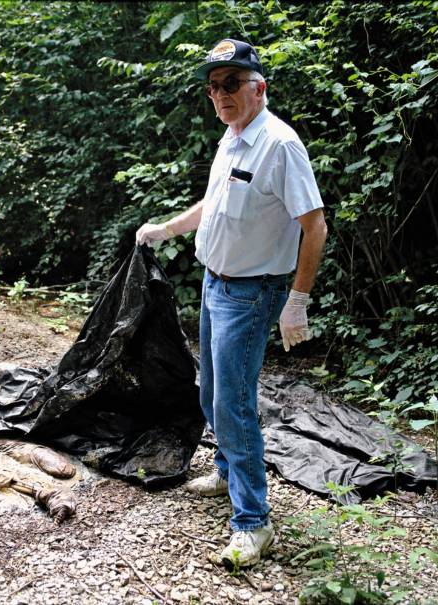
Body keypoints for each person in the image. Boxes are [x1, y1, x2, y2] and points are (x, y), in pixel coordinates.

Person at [135, 38, 328, 569]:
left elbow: (314, 225)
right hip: (214, 283)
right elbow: (215, 202)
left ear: (258, 87)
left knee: (235, 403)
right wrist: (167, 229)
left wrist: (298, 302)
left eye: (231, 84)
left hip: (251, 292)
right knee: (213, 389)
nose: (220, 94)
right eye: (213, 86)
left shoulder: (280, 145)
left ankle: (253, 523)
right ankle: (226, 471)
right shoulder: (232, 136)